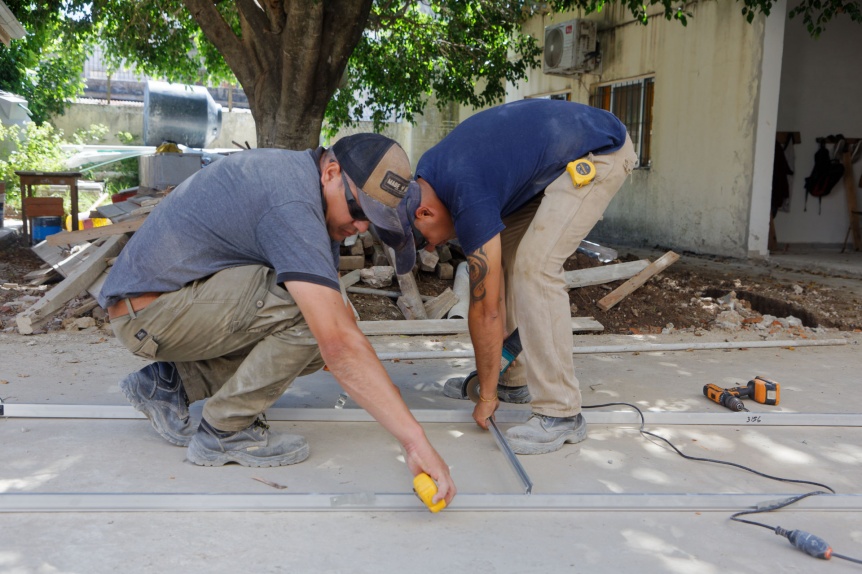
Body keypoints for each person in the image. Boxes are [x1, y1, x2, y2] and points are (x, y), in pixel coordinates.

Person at [98, 134, 455, 505]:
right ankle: (224, 431)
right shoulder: (292, 201)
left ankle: (171, 385)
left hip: (166, 306)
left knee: (328, 320)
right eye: (360, 211)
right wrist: (414, 441)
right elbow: (337, 340)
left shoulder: (305, 184)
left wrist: (343, 361)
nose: (362, 227)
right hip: (151, 314)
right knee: (315, 317)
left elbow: (335, 335)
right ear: (331, 172)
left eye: (372, 220)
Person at [383, 99, 638, 455]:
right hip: (547, 168)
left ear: (424, 212)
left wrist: (484, 396)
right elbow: (488, 294)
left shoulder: (464, 190)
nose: (433, 248)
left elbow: (485, 309)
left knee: (536, 268)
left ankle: (562, 412)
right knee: (501, 262)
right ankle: (514, 379)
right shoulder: (431, 175)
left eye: (426, 241)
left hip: (599, 151)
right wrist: (491, 385)